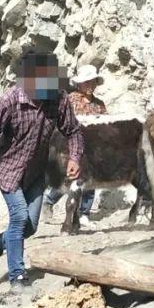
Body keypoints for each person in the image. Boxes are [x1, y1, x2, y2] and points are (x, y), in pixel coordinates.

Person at [0, 50, 83, 292]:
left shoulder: (58, 99)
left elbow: (73, 131)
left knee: (29, 227)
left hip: (36, 172)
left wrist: (75, 157)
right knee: (19, 217)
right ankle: (17, 276)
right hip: (8, 169)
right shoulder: (8, 102)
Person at [43, 64, 107, 228]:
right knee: (69, 179)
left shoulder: (100, 105)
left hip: (93, 148)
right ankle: (49, 201)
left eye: (92, 82)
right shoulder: (70, 100)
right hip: (71, 147)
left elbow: (105, 124)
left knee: (91, 180)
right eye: (87, 82)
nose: (90, 86)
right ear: (79, 84)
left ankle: (84, 213)